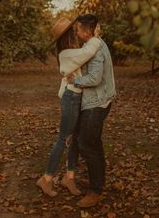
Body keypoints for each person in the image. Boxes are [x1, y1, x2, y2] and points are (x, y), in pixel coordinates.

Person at [37, 17, 102, 197]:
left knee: (74, 139)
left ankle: (69, 177)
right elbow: (89, 52)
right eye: (72, 30)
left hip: (78, 97)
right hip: (72, 98)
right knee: (63, 138)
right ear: (66, 36)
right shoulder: (66, 53)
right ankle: (46, 179)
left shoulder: (73, 51)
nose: (76, 32)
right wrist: (96, 37)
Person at [67, 14, 116, 208]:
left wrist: (75, 80)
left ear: (87, 31)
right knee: (93, 142)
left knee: (87, 143)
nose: (76, 32)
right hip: (96, 100)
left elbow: (94, 79)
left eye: (78, 29)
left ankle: (96, 191)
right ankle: (98, 181)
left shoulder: (95, 48)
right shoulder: (93, 44)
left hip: (97, 103)